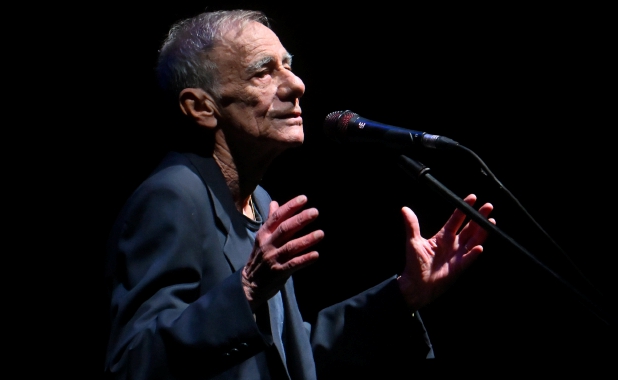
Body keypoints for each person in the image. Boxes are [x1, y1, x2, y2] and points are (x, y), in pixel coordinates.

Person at [104, 9, 495, 379]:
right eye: (263, 72)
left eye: (288, 66)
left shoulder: (257, 199)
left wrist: (404, 294)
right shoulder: (174, 196)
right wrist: (246, 289)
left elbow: (291, 357)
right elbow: (132, 363)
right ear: (200, 107)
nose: (296, 85)